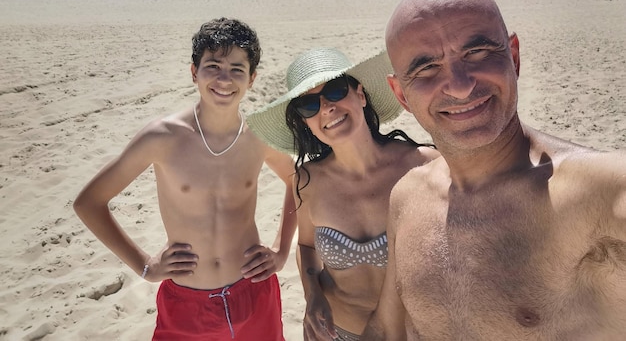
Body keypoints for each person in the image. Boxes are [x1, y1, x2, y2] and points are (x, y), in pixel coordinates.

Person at [362, 0, 626, 340]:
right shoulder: (407, 197)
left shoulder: (596, 193)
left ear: (513, 57)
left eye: (479, 52)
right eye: (426, 70)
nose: (459, 85)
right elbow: (385, 328)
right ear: (402, 95)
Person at [73, 18, 297, 340]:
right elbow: (89, 203)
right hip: (187, 305)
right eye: (213, 66)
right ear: (194, 72)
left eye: (237, 69)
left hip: (255, 293)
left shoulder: (258, 136)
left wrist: (281, 249)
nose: (224, 79)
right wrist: (145, 266)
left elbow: (298, 182)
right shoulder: (162, 137)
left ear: (252, 79)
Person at [247, 48, 439, 340]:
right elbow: (308, 247)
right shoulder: (308, 181)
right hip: (339, 331)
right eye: (309, 105)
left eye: (335, 90)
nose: (326, 107)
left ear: (360, 94)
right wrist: (312, 296)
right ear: (305, 122)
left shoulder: (425, 165)